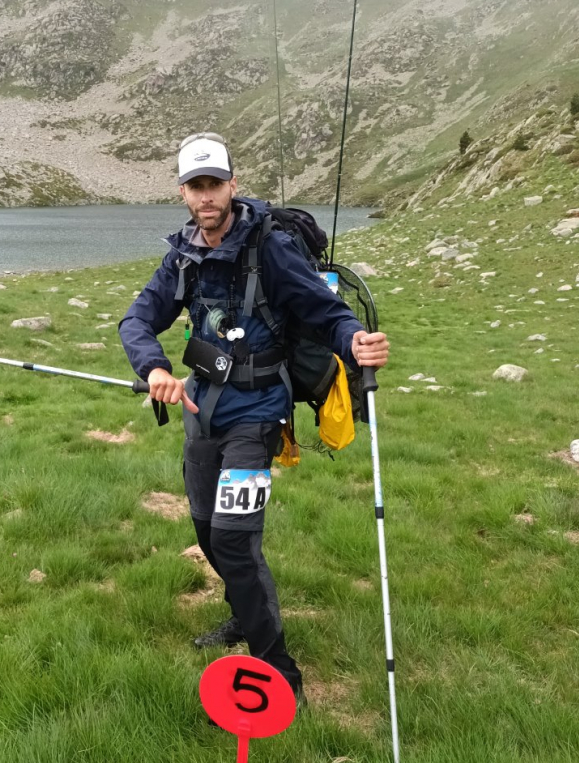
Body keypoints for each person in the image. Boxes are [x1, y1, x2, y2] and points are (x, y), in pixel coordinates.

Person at [119, 132, 390, 700]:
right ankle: (244, 613)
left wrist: (354, 340)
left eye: (214, 183)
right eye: (195, 186)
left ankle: (279, 675)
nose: (206, 195)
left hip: (258, 413)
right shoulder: (182, 256)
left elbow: (325, 312)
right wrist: (155, 367)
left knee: (235, 540)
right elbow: (137, 320)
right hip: (201, 411)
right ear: (183, 193)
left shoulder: (270, 247)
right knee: (207, 531)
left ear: (232, 185)